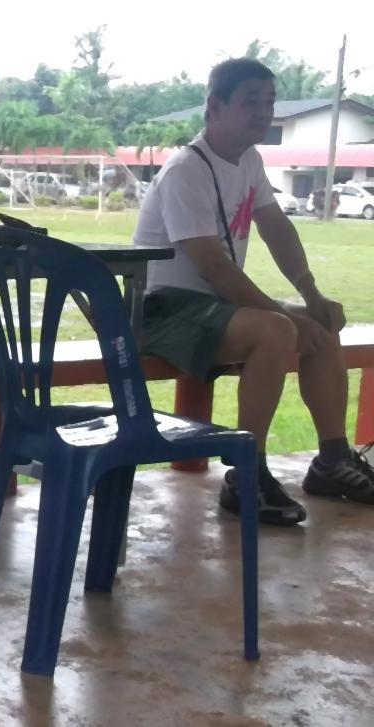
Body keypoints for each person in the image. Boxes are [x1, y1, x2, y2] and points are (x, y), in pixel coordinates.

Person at [134, 57, 374, 527]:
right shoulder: (187, 169)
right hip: (161, 310)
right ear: (214, 108)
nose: (263, 112)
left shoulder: (249, 161)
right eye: (250, 102)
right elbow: (212, 266)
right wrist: (286, 316)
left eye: (269, 102)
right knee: (277, 330)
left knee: (321, 322)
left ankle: (332, 459)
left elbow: (276, 227)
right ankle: (247, 474)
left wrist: (311, 295)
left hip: (210, 307)